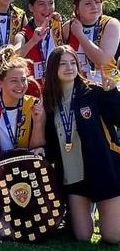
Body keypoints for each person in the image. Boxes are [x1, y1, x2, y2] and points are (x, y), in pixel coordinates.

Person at [39, 45, 120, 243]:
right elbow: (50, 141)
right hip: (73, 177)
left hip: (104, 171)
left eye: (73, 62)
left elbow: (117, 118)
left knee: (113, 236)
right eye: (63, 64)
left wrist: (112, 95)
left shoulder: (93, 92)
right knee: (82, 236)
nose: (69, 67)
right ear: (52, 69)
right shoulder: (48, 102)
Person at [0, 47, 45, 153]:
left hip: (26, 164)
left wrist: (37, 123)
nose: (20, 85)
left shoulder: (33, 104)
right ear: (0, 82)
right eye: (14, 81)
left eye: (23, 80)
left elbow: (37, 148)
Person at [63, 0, 120, 86]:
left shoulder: (110, 24)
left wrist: (80, 35)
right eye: (88, 3)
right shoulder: (69, 27)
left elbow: (102, 60)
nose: (94, 7)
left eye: (97, 2)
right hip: (78, 86)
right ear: (76, 8)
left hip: (106, 85)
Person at [14, 0, 62, 88]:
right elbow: (13, 58)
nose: (47, 8)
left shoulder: (59, 29)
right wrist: (33, 41)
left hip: (57, 91)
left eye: (50, 3)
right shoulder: (23, 35)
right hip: (31, 95)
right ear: (31, 7)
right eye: (41, 4)